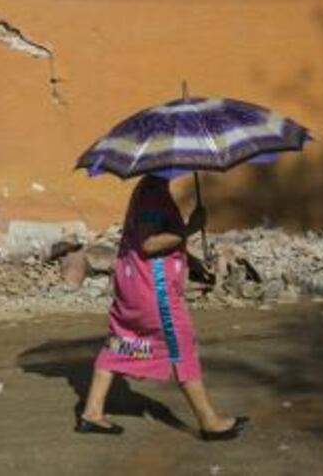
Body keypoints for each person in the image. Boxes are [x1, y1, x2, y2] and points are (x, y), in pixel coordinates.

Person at [76, 174, 248, 441]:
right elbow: (149, 243)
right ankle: (209, 421)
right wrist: (191, 227)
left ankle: (92, 413)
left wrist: (190, 261)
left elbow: (156, 240)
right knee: (181, 345)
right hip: (153, 291)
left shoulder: (148, 189)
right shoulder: (154, 194)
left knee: (123, 341)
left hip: (134, 285)